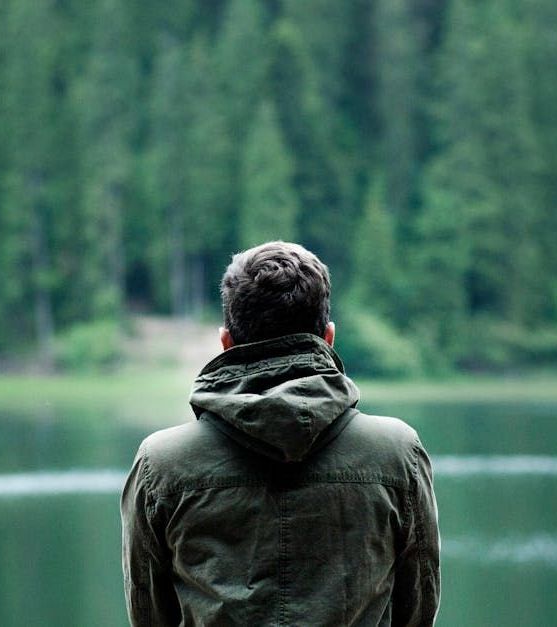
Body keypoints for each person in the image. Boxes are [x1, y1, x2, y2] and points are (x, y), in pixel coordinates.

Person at [121, 241, 440, 626]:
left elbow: (150, 615)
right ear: (329, 337)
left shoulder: (162, 464)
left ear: (225, 342)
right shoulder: (397, 453)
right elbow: (417, 609)